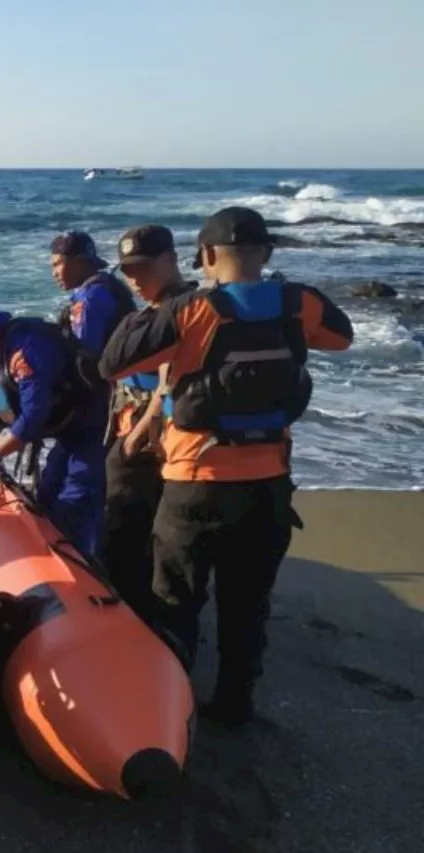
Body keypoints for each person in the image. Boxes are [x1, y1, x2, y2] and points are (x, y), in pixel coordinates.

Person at [99, 206, 354, 725]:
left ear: (207, 256)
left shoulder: (194, 310)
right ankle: (235, 707)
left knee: (175, 600)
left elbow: (114, 363)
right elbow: (341, 338)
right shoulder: (298, 303)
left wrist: (156, 314)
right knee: (247, 606)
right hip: (269, 486)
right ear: (266, 253)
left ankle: (168, 710)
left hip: (196, 484)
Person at [0, 292, 111, 559]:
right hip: (67, 433)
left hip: (90, 428)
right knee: (46, 498)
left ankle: (86, 572)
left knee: (75, 503)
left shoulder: (26, 352)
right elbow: (4, 410)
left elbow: (33, 417)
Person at [99, 225, 195, 622]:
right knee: (134, 539)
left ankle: (132, 624)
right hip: (135, 433)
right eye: (126, 271)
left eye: (143, 268)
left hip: (150, 446)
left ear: (170, 261)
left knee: (129, 538)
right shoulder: (156, 308)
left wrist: (134, 439)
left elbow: (168, 384)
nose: (134, 279)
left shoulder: (182, 310)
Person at [49, 230, 137, 356]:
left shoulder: (90, 298)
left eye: (57, 264)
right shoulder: (107, 285)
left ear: (80, 263)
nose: (54, 273)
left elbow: (85, 356)